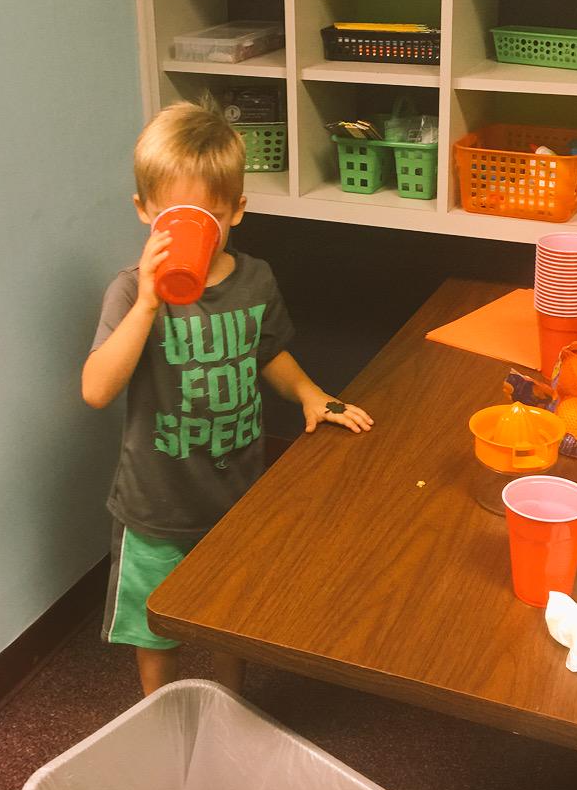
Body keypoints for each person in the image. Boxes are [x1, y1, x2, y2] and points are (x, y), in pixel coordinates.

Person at [82, 101, 373, 697]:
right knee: (153, 627)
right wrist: (148, 304)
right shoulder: (129, 293)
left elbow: (267, 352)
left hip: (236, 493)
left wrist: (310, 393)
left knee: (228, 613)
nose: (195, 233)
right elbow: (96, 389)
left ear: (237, 210)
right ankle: (159, 711)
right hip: (157, 503)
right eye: (173, 218)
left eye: (210, 217)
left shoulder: (254, 279)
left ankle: (230, 702)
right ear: (144, 211)